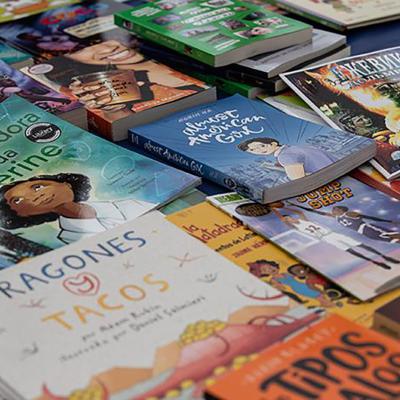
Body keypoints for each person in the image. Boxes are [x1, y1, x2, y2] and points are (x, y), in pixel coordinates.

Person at [45, 38, 205, 119]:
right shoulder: (93, 91)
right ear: (70, 60)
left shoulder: (171, 58)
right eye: (80, 50)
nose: (108, 47)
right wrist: (116, 109)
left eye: (100, 40)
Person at [0, 173, 154, 244]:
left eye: (38, 187)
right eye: (18, 201)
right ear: (21, 215)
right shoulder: (70, 239)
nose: (36, 196)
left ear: (65, 183)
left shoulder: (128, 204)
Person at [278, 210, 396, 270]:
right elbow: (287, 224)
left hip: (332, 233)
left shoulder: (304, 220)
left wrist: (285, 207)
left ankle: (384, 256)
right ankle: (374, 261)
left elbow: (299, 212)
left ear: (291, 218)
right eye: (288, 220)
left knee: (360, 245)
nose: (290, 220)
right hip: (325, 238)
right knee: (350, 250)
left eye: (289, 218)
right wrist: (280, 216)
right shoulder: (296, 227)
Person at [237, 137, 338, 180]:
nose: (259, 150)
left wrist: (281, 170)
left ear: (273, 143)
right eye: (253, 150)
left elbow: (299, 180)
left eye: (262, 146)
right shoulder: (295, 148)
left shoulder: (284, 156)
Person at [247, 259, 335, 307]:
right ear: (264, 274)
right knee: (315, 294)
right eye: (265, 270)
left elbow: (296, 274)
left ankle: (326, 302)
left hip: (302, 284)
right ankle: (326, 303)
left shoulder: (285, 273)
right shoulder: (274, 279)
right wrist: (278, 286)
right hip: (298, 288)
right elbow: (277, 286)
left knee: (317, 292)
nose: (270, 269)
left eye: (270, 266)